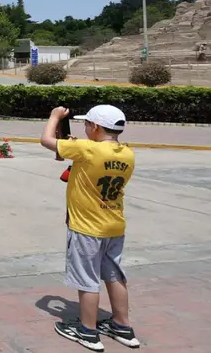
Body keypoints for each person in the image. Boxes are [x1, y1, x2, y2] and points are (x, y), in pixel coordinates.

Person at [40, 105, 140, 351]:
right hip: (114, 226)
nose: (84, 128)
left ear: (95, 127)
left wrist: (54, 117)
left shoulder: (85, 149)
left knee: (87, 280)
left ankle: (87, 331)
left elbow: (46, 141)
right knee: (114, 275)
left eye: (87, 124)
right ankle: (122, 326)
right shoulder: (127, 153)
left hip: (86, 228)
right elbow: (93, 158)